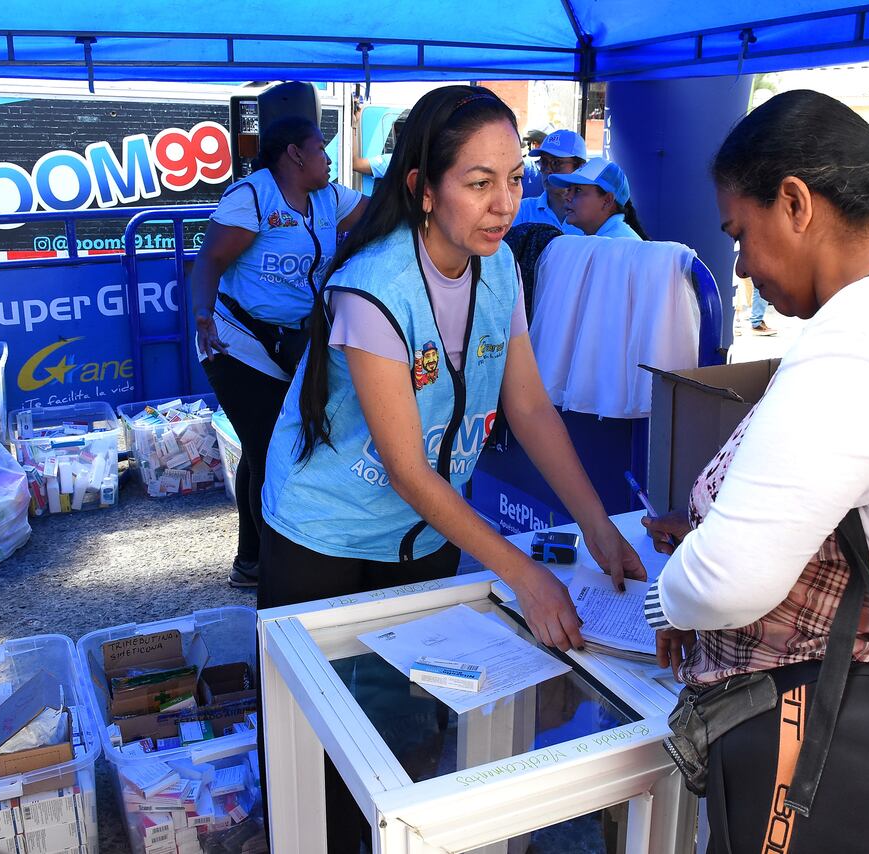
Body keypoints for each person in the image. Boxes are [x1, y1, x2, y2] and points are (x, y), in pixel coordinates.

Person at [259, 83, 645, 852]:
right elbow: (406, 469)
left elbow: (530, 408)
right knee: (324, 747)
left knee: (411, 719)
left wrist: (598, 526)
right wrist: (526, 576)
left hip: (421, 535)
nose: (504, 203)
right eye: (478, 183)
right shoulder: (375, 287)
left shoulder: (498, 268)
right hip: (324, 539)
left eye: (512, 179)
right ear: (423, 190)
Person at [643, 89, 869, 852]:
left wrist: (668, 598)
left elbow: (726, 583)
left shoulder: (863, 340)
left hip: (840, 753)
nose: (740, 267)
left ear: (797, 202)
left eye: (741, 233)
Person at [190, 115, 368, 588]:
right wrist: (203, 313)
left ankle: (251, 560)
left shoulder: (329, 198)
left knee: (264, 445)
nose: (329, 159)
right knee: (269, 447)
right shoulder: (252, 196)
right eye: (321, 149)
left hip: (296, 341)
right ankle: (269, 564)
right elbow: (210, 259)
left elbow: (383, 215)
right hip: (236, 343)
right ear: (294, 154)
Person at [550, 157, 649, 239]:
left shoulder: (617, 244)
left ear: (607, 201)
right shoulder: (608, 240)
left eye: (578, 190)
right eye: (568, 189)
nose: (567, 197)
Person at [512, 128, 588, 234]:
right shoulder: (523, 211)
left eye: (556, 163)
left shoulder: (592, 216)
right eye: (543, 162)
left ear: (580, 167)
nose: (547, 169)